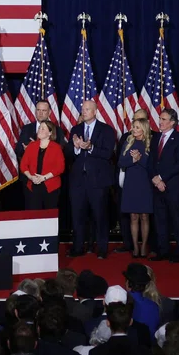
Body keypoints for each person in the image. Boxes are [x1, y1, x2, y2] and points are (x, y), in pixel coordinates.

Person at [65, 100, 116, 259]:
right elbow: (69, 154)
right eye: (82, 109)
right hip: (78, 181)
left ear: (95, 111)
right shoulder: (76, 129)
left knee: (100, 216)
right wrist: (76, 147)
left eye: (87, 109)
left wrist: (90, 147)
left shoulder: (107, 130)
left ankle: (101, 249)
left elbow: (108, 154)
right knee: (78, 216)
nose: (84, 111)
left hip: (98, 181)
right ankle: (78, 247)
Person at [148, 109, 179, 263]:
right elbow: (150, 161)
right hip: (157, 186)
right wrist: (155, 179)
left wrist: (162, 178)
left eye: (164, 119)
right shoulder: (155, 138)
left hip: (173, 186)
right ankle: (162, 250)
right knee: (160, 219)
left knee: (176, 219)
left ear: (172, 122)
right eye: (160, 118)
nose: (160, 122)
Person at [118, 118, 154, 259]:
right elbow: (120, 162)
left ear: (143, 129)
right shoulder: (128, 141)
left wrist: (141, 158)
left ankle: (144, 245)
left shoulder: (150, 142)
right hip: (131, 182)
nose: (133, 129)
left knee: (144, 216)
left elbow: (151, 165)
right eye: (133, 127)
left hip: (145, 182)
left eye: (137, 127)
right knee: (133, 216)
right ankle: (135, 246)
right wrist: (132, 160)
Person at [19, 119, 65, 210]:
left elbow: (60, 167)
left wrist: (43, 177)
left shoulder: (56, 148)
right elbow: (23, 165)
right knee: (34, 216)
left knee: (49, 216)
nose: (39, 130)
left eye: (43, 128)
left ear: (50, 133)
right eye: (39, 128)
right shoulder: (32, 146)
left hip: (51, 187)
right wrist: (31, 177)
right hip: (33, 185)